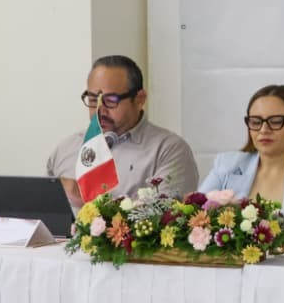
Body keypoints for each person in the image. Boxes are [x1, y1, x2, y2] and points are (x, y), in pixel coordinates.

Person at [48, 55, 199, 204]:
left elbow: (165, 214)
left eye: (110, 100)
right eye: (93, 99)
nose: (100, 110)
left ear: (139, 99)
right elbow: (41, 211)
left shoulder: (169, 150)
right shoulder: (66, 149)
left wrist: (87, 197)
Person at [200, 84, 284, 229]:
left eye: (275, 121)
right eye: (256, 122)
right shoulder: (226, 165)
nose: (264, 129)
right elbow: (194, 219)